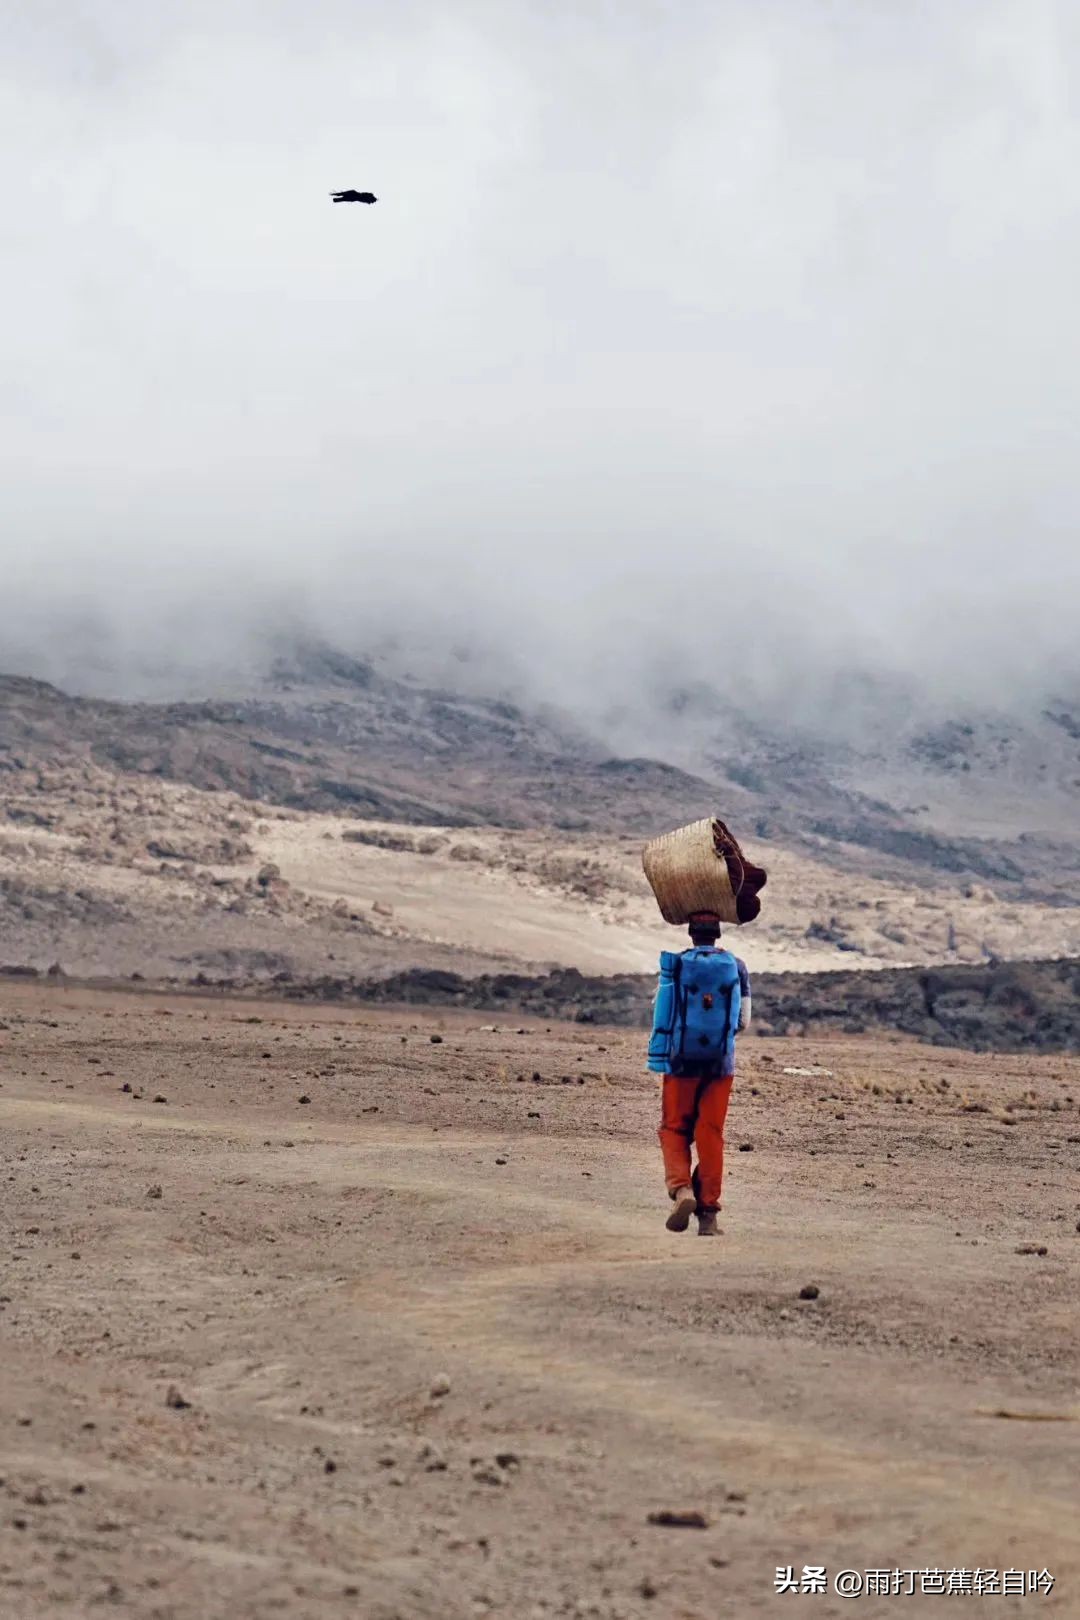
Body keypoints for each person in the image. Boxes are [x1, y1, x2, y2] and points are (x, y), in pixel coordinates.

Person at [648, 912, 751, 1237]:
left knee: (674, 1128)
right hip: (720, 1065)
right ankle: (708, 1217)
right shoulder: (737, 965)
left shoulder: (676, 964)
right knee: (710, 1134)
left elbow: (662, 1010)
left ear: (690, 934)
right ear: (718, 934)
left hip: (681, 1063)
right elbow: (742, 1021)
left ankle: (682, 1191)